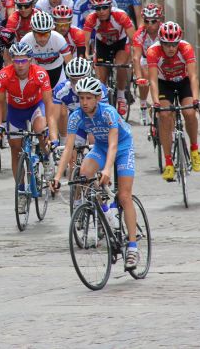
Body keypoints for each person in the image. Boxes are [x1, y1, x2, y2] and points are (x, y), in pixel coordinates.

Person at [52, 76, 139, 270]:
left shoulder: (108, 112)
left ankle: (133, 247)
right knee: (84, 173)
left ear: (98, 98)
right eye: (81, 98)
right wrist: (58, 176)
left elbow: (114, 144)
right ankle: (107, 212)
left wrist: (107, 169)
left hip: (122, 147)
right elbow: (68, 148)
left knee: (124, 195)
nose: (84, 102)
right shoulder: (76, 116)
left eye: (89, 98)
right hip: (100, 147)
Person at [0, 42, 58, 209]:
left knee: (41, 130)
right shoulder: (3, 75)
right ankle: (21, 191)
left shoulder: (40, 74)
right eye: (16, 61)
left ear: (30, 60)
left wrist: (52, 133)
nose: (20, 65)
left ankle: (46, 157)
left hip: (36, 107)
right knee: (15, 149)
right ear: (11, 61)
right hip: (15, 111)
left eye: (24, 61)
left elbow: (49, 106)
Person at [147, 21, 200, 181]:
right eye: (167, 44)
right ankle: (169, 163)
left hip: (184, 81)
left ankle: (194, 149)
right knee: (165, 117)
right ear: (161, 42)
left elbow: (193, 76)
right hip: (164, 84)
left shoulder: (186, 48)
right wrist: (156, 102)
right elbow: (152, 80)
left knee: (189, 112)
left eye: (174, 44)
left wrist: (196, 99)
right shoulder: (153, 51)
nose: (171, 48)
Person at [83, 0, 135, 116]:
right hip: (102, 44)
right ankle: (104, 99)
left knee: (120, 65)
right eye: (98, 8)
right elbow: (84, 42)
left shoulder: (120, 15)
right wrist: (85, 55)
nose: (101, 11)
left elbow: (133, 38)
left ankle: (121, 96)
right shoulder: (91, 18)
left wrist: (134, 56)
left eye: (104, 7)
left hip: (120, 43)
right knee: (101, 78)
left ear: (110, 7)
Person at [21, 11, 72, 87]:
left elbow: (69, 63)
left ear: (51, 31)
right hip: (36, 69)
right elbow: (21, 64)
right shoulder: (25, 41)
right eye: (39, 34)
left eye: (46, 34)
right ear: (32, 32)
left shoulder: (58, 38)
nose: (43, 38)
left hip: (57, 69)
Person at [131, 3, 163, 125]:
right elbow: (136, 57)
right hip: (146, 59)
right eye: (146, 21)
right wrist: (139, 77)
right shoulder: (140, 34)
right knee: (145, 75)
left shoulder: (164, 31)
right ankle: (143, 106)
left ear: (159, 20)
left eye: (153, 21)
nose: (150, 25)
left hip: (162, 59)